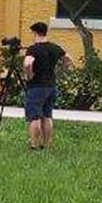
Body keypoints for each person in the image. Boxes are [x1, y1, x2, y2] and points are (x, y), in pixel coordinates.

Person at [23, 21, 72, 150]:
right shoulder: (54, 48)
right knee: (47, 115)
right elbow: (68, 58)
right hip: (51, 85)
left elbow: (28, 63)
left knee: (35, 116)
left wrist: (29, 74)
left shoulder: (33, 49)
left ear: (34, 33)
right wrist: (65, 69)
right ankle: (47, 144)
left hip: (37, 86)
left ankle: (34, 144)